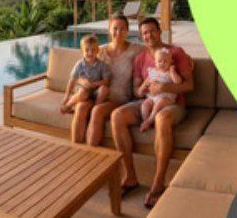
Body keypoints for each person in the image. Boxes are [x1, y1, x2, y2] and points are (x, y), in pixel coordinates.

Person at [110, 17, 193, 208]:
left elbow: (189, 85)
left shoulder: (176, 53)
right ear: (141, 36)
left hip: (173, 104)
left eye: (152, 31)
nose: (149, 35)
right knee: (117, 116)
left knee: (162, 118)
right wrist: (144, 90)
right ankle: (130, 176)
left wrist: (166, 86)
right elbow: (137, 89)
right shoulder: (140, 58)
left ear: (160, 31)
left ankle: (158, 182)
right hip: (147, 100)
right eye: (145, 33)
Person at [72, 15, 144, 145]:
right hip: (96, 94)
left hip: (119, 99)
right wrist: (83, 82)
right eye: (115, 28)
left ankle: (91, 154)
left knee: (97, 110)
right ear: (109, 30)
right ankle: (76, 152)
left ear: (127, 31)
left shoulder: (136, 50)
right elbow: (78, 73)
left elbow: (156, 52)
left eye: (122, 29)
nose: (118, 32)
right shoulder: (99, 50)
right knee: (81, 106)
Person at [60, 35, 110, 114]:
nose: (90, 53)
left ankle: (95, 109)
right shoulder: (79, 64)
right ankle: (68, 105)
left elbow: (106, 81)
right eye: (87, 50)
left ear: (98, 51)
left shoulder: (102, 65)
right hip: (82, 90)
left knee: (104, 89)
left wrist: (94, 84)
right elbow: (73, 80)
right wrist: (66, 96)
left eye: (93, 50)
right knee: (83, 93)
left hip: (96, 90)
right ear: (82, 51)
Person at [137, 48, 182, 132]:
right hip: (152, 97)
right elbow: (147, 81)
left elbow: (178, 81)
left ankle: (150, 120)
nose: (162, 63)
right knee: (145, 105)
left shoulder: (169, 73)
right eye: (159, 61)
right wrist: (142, 88)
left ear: (170, 62)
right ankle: (145, 120)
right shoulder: (153, 72)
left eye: (165, 61)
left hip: (166, 97)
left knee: (158, 105)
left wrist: (173, 72)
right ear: (155, 62)